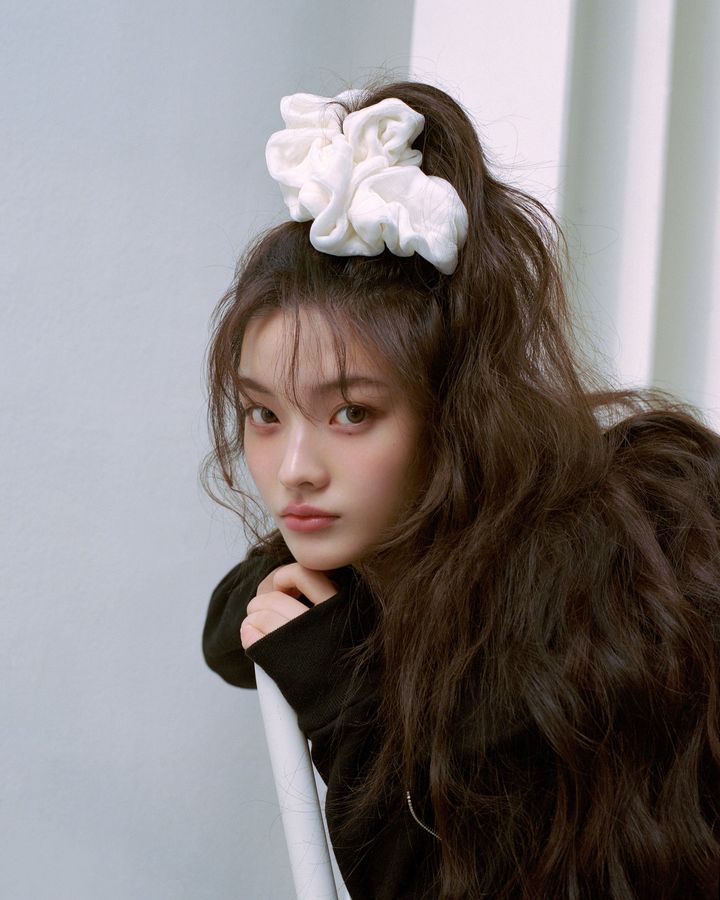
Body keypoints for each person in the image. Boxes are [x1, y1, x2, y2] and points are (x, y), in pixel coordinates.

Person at [201, 81, 720, 899]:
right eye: (264, 413)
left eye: (351, 413)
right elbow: (232, 626)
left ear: (454, 413)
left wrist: (341, 693)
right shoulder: (381, 553)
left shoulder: (562, 607)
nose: (294, 468)